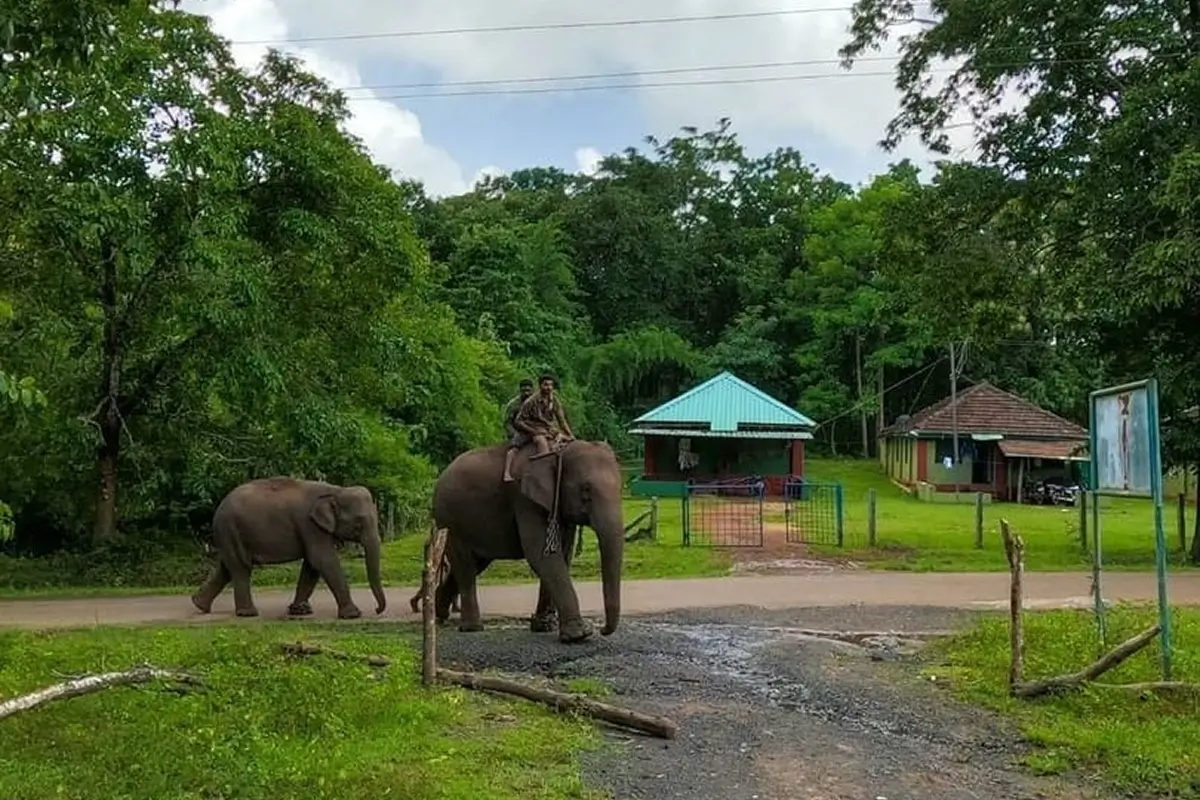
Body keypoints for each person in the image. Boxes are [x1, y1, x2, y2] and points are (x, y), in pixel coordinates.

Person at [504, 372, 574, 482]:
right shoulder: (528, 402)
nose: (549, 388)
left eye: (551, 385)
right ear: (540, 386)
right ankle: (508, 472)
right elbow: (516, 421)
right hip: (528, 427)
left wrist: (570, 434)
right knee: (516, 446)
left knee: (563, 440)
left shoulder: (554, 400)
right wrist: (530, 431)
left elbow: (561, 420)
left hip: (546, 428)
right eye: (546, 385)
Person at [501, 378, 536, 483]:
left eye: (528, 390)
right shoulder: (514, 404)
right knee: (514, 448)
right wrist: (513, 434)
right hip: (519, 431)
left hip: (535, 429)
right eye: (524, 390)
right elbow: (507, 422)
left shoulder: (536, 401)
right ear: (520, 390)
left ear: (533, 390)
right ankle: (507, 472)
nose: (526, 393)